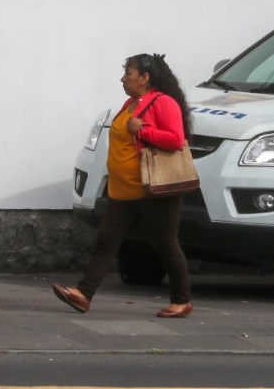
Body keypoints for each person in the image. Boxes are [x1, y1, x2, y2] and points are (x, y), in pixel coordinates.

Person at [53, 53, 194, 318]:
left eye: (128, 73)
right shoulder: (131, 103)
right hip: (123, 190)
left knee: (165, 244)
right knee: (106, 242)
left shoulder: (163, 103)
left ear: (145, 77)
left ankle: (182, 300)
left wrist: (142, 131)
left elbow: (176, 140)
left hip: (152, 191)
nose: (122, 78)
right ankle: (83, 294)